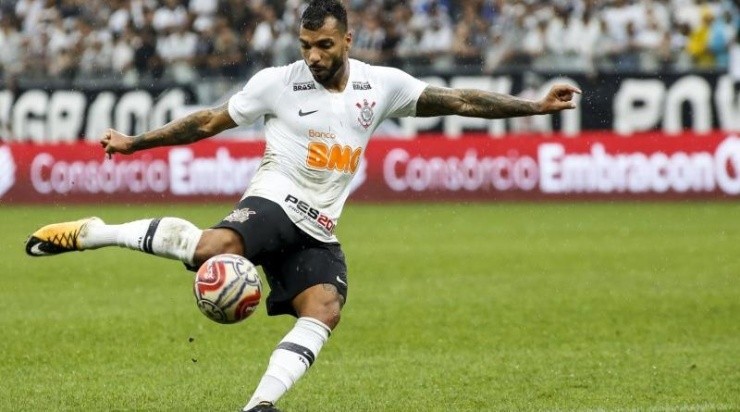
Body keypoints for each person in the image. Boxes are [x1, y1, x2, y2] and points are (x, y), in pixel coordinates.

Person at [24, 1, 581, 411]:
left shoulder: (380, 85)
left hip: (319, 226)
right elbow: (207, 121)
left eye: (324, 46)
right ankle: (95, 231)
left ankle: (259, 405)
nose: (313, 56)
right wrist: (136, 143)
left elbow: (458, 99)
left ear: (348, 40)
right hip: (274, 198)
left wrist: (534, 107)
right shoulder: (277, 83)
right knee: (212, 248)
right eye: (305, 45)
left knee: (325, 309)